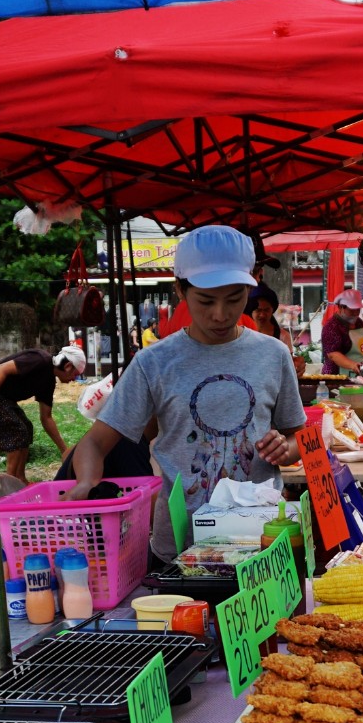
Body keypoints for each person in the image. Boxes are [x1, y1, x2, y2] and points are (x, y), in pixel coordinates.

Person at [67, 225, 303, 556]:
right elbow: (94, 442)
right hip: (181, 546)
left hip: (261, 544)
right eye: (206, 301)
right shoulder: (154, 362)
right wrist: (86, 485)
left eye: (234, 299)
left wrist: (285, 447)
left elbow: (300, 438)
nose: (220, 315)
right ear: (180, 290)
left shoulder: (273, 354)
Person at [0, 343, 84, 481]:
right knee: (17, 430)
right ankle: (9, 481)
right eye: (75, 374)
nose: (74, 379)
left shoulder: (49, 381)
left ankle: (20, 478)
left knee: (26, 427)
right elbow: (1, 369)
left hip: (5, 398)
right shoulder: (40, 360)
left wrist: (64, 450)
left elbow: (46, 418)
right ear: (68, 366)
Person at [320, 288, 363, 375]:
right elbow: (333, 354)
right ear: (341, 307)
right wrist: (353, 365)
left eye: (358, 310)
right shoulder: (331, 327)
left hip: (359, 375)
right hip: (336, 377)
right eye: (352, 310)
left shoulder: (359, 322)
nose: (356, 313)